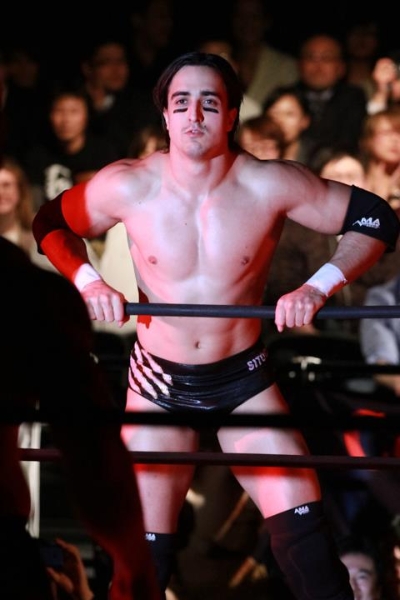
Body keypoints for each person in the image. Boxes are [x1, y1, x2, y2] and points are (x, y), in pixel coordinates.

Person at [32, 50, 400, 600]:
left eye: (209, 102)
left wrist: (318, 286)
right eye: (182, 102)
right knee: (140, 565)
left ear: (231, 115)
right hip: (157, 384)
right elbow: (50, 221)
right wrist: (89, 281)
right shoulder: (129, 184)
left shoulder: (269, 183)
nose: (195, 115)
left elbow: (376, 218)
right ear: (165, 115)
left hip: (243, 379)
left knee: (311, 554)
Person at [0, 236, 161, 599]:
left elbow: (92, 446)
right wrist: (135, 575)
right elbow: (93, 451)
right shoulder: (22, 288)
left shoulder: (22, 288)